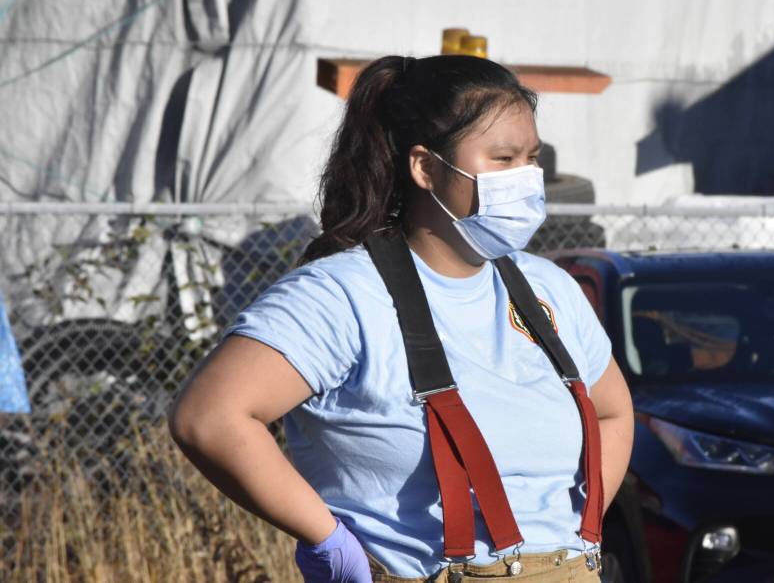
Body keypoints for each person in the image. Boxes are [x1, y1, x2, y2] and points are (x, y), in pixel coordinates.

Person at [168, 54, 634, 583]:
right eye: (503, 158)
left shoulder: (548, 288)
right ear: (426, 168)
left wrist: (578, 528)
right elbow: (209, 417)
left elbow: (612, 413)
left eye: (532, 157)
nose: (527, 178)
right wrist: (329, 539)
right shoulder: (341, 295)